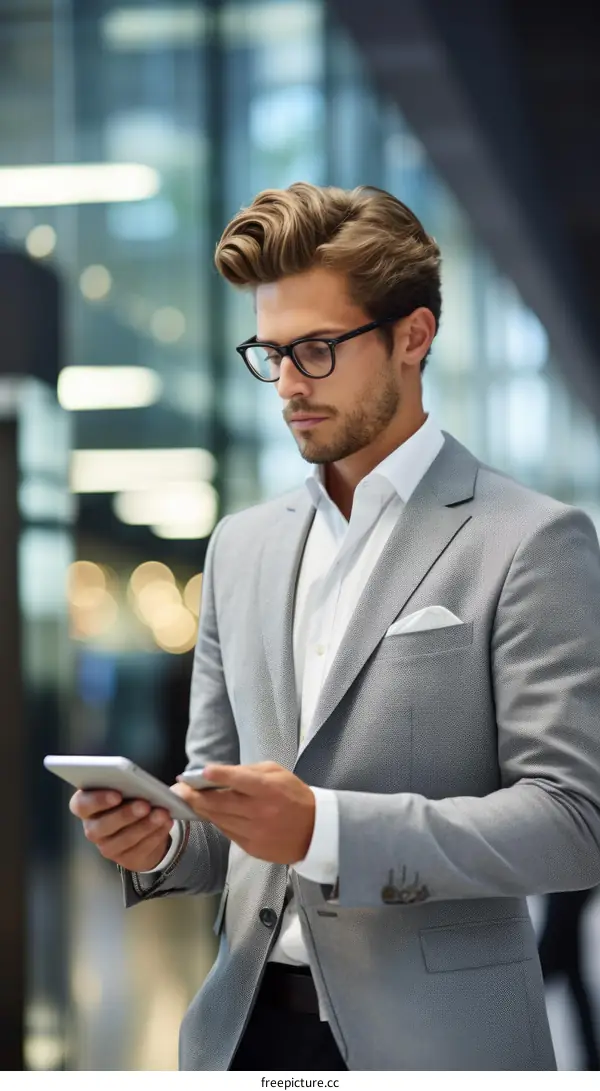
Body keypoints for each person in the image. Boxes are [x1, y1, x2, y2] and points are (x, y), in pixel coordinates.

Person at [69, 183, 600, 1071]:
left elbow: (573, 820)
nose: (287, 385)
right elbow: (220, 813)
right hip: (244, 1032)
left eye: (315, 350)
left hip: (439, 1044)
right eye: (269, 352)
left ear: (413, 337)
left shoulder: (530, 538)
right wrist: (163, 836)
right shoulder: (240, 545)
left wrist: (327, 830)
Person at [538, 889, 600, 1069]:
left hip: (568, 884)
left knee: (547, 965)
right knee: (569, 969)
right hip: (567, 884)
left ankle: (495, 1028)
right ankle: (592, 1059)